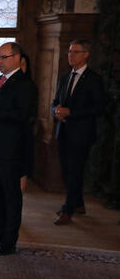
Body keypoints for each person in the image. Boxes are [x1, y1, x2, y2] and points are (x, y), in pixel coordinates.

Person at [0, 42, 37, 256]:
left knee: (11, 197)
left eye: (4, 57)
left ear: (17, 57)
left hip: (12, 152)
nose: (0, 62)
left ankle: (9, 240)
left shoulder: (25, 85)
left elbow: (22, 117)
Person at [51, 39, 105, 225]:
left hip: (81, 133)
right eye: (69, 51)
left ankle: (68, 210)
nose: (70, 55)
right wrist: (56, 110)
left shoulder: (94, 79)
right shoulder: (65, 77)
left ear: (86, 54)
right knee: (67, 170)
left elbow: (99, 107)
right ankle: (78, 204)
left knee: (74, 171)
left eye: (75, 52)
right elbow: (55, 101)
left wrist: (71, 113)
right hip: (63, 131)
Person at [19, 53, 37, 191]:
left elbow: (29, 113)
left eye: (23, 64)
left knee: (22, 168)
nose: (20, 68)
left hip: (23, 134)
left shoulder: (29, 86)